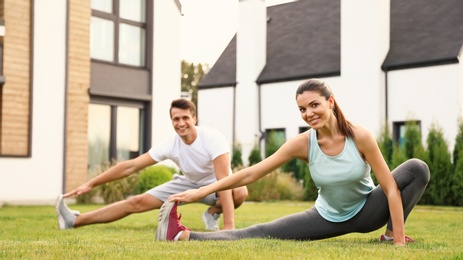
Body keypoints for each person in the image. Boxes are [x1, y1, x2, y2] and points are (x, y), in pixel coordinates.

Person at [156, 78, 430, 246]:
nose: (308, 114)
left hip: (368, 210)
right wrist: (201, 192)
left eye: (314, 105)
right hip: (325, 216)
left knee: (416, 168)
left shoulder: (360, 137)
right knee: (259, 232)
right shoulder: (303, 143)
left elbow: (391, 188)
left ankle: (389, 235)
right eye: (302, 109)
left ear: (330, 102)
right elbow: (252, 173)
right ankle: (182, 236)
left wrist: (397, 241)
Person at [56, 98, 248, 231]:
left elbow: (224, 180)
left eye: (185, 118)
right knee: (136, 202)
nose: (181, 123)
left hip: (216, 185)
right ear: (172, 121)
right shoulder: (171, 144)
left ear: (194, 119)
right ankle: (74, 220)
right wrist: (92, 183)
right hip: (188, 183)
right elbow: (131, 166)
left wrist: (228, 226)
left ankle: (213, 213)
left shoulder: (213, 138)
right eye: (176, 119)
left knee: (240, 191)